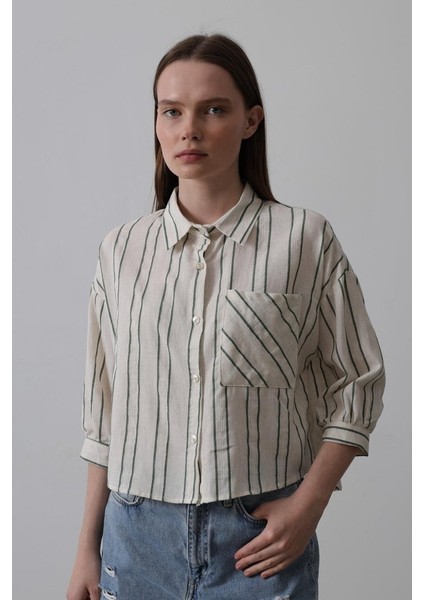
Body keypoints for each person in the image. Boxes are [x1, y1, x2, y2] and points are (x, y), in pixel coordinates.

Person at [67, 33, 385, 600]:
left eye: (213, 109)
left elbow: (359, 382)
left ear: (250, 121)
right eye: (172, 111)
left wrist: (307, 506)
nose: (189, 129)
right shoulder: (120, 250)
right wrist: (86, 550)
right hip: (135, 540)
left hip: (260, 542)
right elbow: (104, 415)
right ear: (157, 122)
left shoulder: (304, 240)